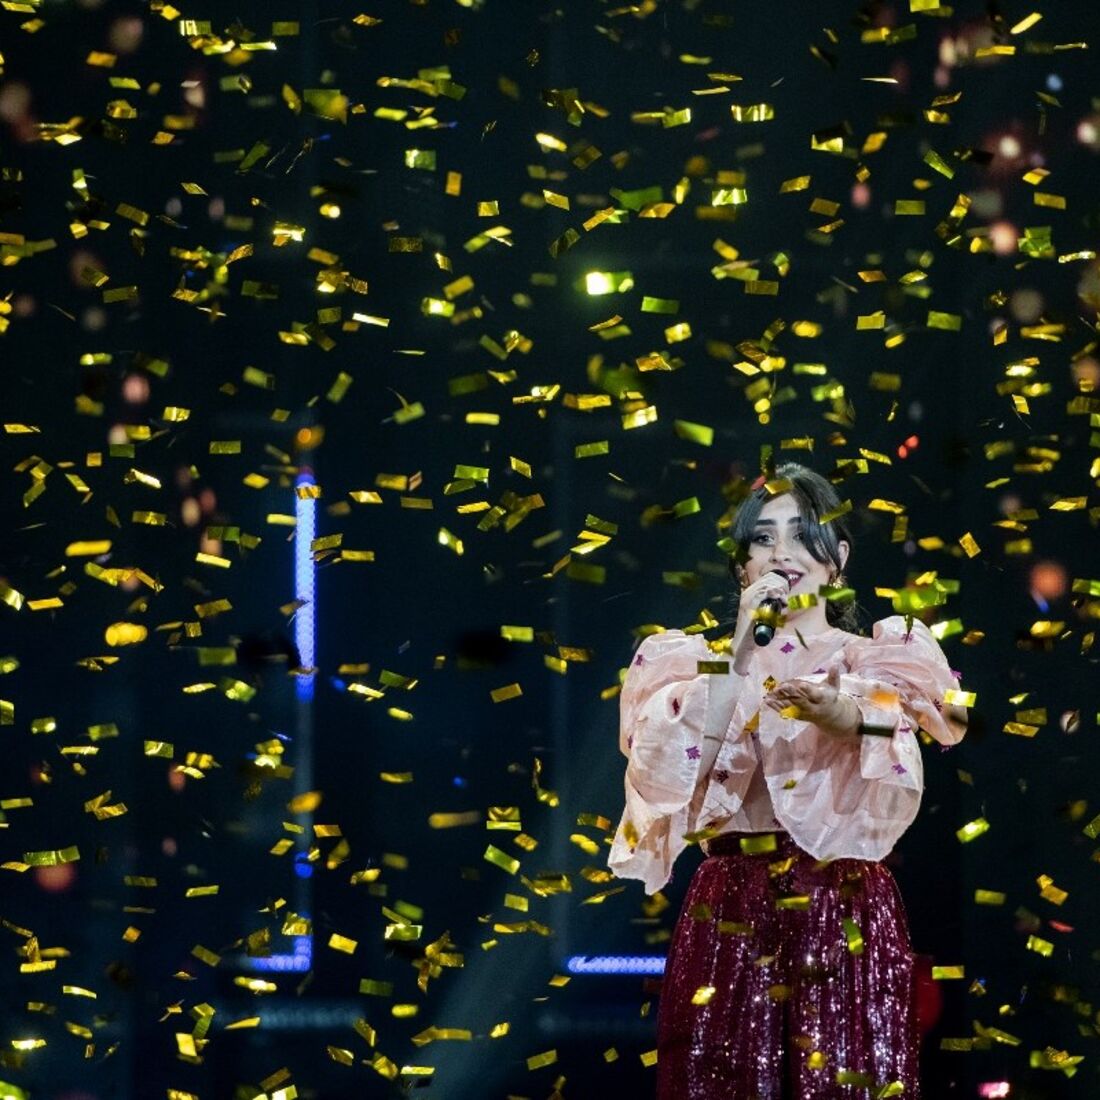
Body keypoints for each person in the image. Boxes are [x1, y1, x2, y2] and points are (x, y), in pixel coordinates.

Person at [608, 463, 968, 1099]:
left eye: (803, 535)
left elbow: (923, 730)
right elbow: (672, 769)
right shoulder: (691, 663)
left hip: (842, 902)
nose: (782, 552)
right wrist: (741, 648)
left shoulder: (876, 657)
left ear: (838, 558)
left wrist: (842, 714)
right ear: (742, 567)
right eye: (763, 538)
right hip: (730, 905)